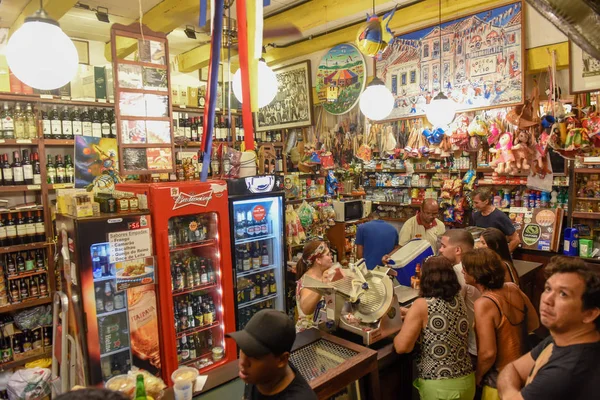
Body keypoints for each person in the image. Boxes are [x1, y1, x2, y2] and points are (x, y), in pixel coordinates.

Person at [497, 257, 600, 400]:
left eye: (563, 294)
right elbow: (513, 368)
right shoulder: (561, 337)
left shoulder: (567, 370)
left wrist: (508, 393)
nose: (547, 299)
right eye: (548, 289)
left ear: (589, 314)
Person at [393, 256, 475, 400]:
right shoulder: (458, 298)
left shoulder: (421, 305)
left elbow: (402, 347)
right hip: (466, 380)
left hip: (440, 387)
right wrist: (412, 314)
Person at [461, 248, 539, 400]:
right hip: (523, 372)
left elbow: (488, 353)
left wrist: (478, 376)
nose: (463, 271)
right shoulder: (512, 288)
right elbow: (534, 323)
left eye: (466, 268)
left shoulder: (484, 303)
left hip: (499, 381)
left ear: (477, 274)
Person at [227, 309, 318, 400]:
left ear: (282, 360)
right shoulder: (258, 375)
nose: (243, 362)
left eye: (255, 355)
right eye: (243, 348)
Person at [439, 229, 481, 358]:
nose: (440, 250)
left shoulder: (459, 270)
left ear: (458, 250)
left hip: (472, 344)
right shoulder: (478, 264)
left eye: (444, 246)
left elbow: (452, 310)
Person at [295, 240, 333, 332]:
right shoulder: (307, 282)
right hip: (308, 334)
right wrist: (322, 285)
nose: (331, 257)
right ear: (318, 260)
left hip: (321, 330)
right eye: (328, 254)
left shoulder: (323, 275)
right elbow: (306, 309)